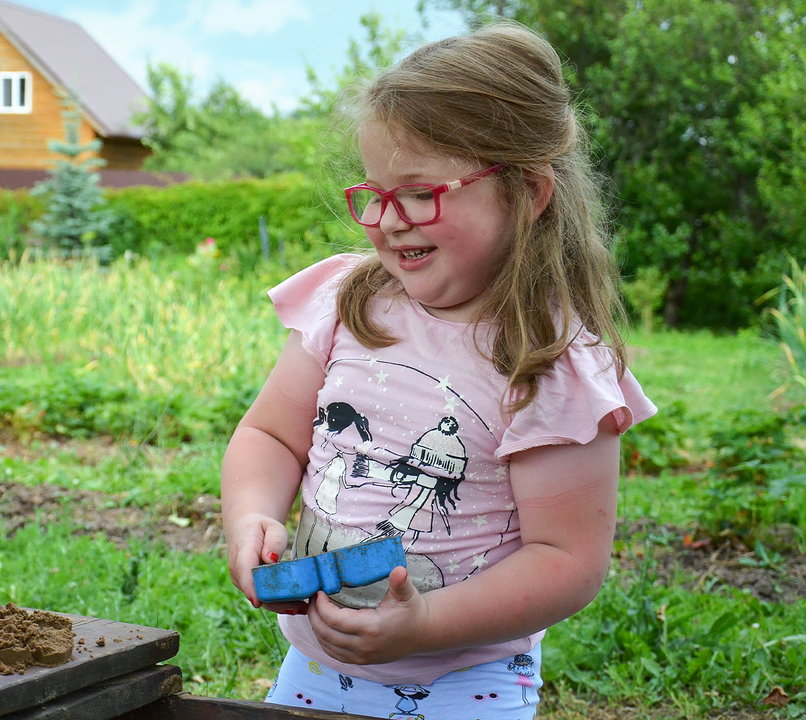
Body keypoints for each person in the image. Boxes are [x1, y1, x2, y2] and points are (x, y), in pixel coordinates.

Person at [221, 21, 657, 720]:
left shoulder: (547, 362)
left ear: (528, 193)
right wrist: (251, 517)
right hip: (311, 666)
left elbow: (567, 561)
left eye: (422, 193)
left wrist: (422, 625)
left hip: (464, 686)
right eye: (375, 194)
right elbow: (271, 437)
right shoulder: (349, 303)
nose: (389, 220)